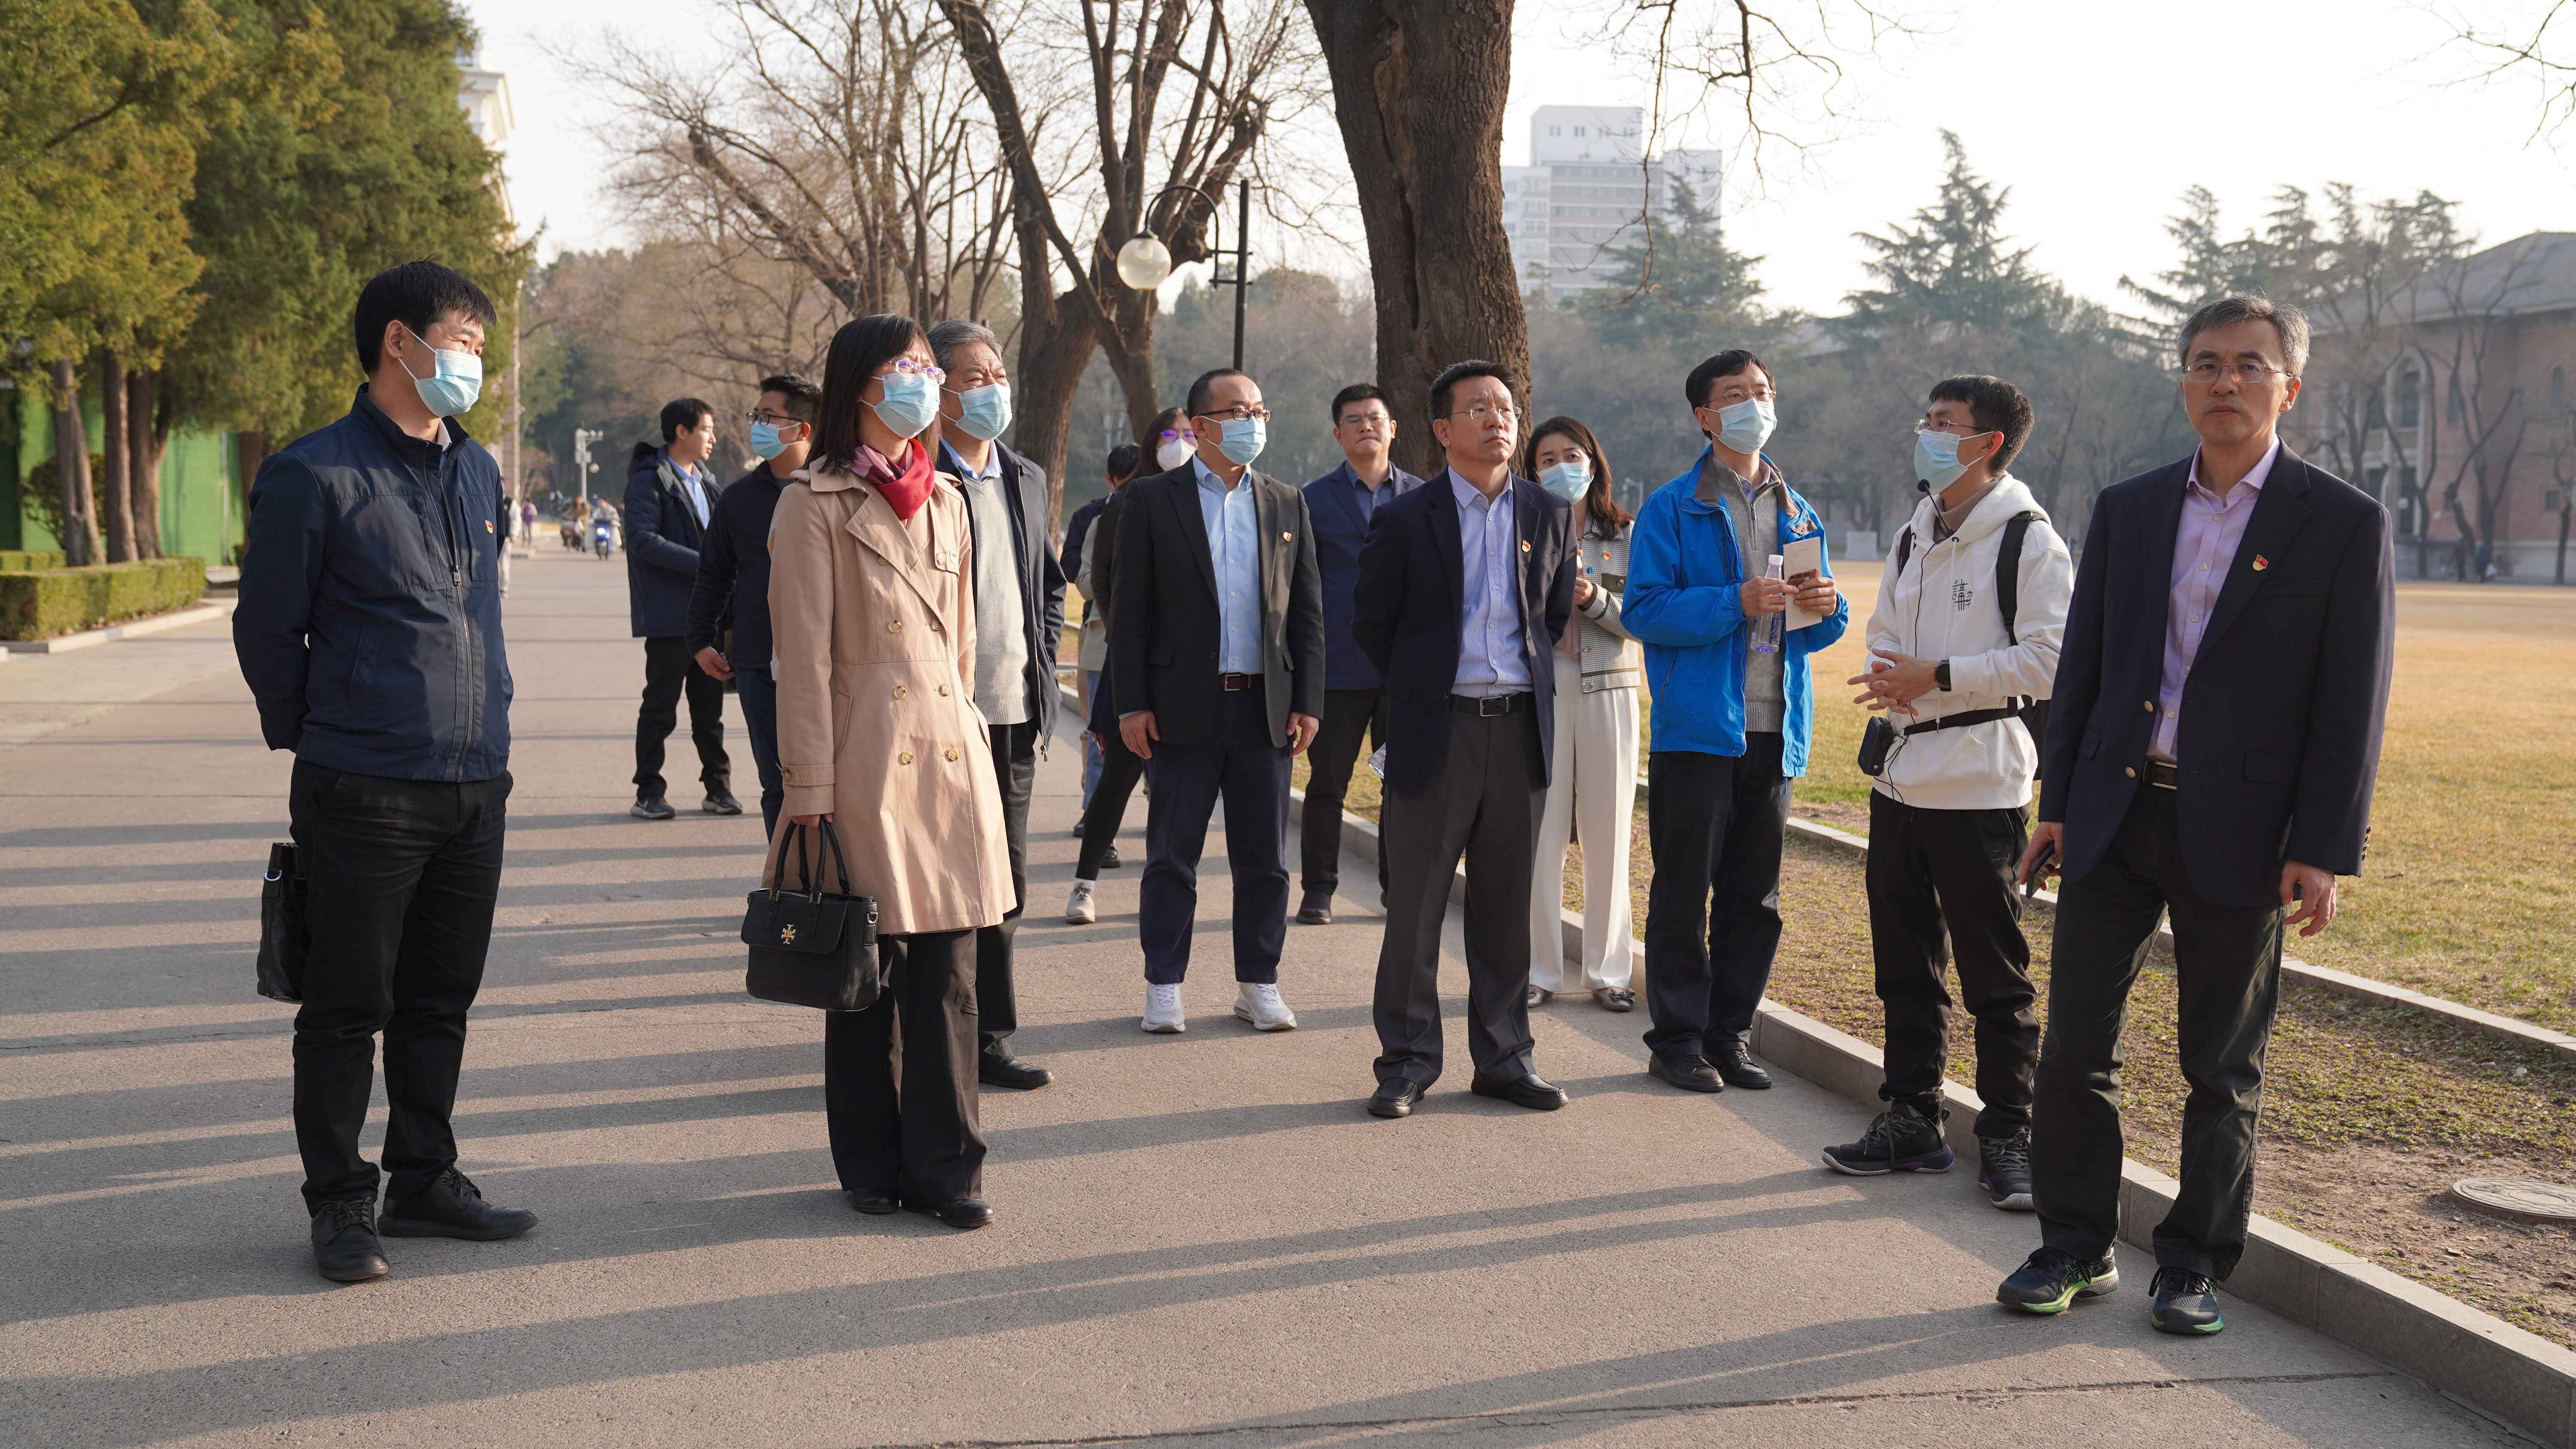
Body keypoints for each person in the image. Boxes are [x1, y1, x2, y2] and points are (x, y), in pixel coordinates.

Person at [1997, 297, 2395, 1334]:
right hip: (2115, 816)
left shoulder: (2341, 521)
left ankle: (2196, 1261)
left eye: (2249, 367)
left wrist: (2321, 846)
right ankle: (2073, 1244)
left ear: (2288, 387)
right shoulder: (2130, 508)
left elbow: (2351, 702)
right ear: (2183, 381)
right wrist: (2060, 805)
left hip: (2249, 835)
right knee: (2075, 1044)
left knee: (2221, 1063)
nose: (2225, 381)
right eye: (2206, 363)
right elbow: (2083, 667)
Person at [234, 260, 537, 1284]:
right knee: (345, 1005)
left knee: (439, 999)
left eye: (482, 350)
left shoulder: (478, 468)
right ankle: (339, 1204)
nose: (474, 364)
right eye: (461, 342)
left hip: (474, 781)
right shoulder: (312, 474)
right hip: (364, 784)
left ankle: (425, 1176)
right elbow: (267, 631)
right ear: (398, 343)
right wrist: (326, 734)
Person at [770, 312, 1015, 1231]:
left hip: (948, 755)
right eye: (905, 366)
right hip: (863, 753)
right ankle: (870, 1162)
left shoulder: (948, 498)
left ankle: (951, 1166)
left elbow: (963, 645)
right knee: (867, 974)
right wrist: (810, 791)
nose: (924, 381)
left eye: (927, 367)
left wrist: (977, 743)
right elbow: (804, 661)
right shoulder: (812, 501)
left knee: (952, 973)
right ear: (860, 384)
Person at [1825, 375, 2072, 1212]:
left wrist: (1940, 677)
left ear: (1989, 443)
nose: (1927, 435)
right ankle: (1914, 1115)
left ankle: (2009, 1132)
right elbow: (1885, 630)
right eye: (1925, 420)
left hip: (1980, 783)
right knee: (1905, 964)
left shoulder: (2028, 542)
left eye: (1945, 424)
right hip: (1900, 777)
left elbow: (2048, 661)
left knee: (1994, 975)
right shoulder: (1912, 533)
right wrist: (1898, 673)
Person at [1350, 361, 1578, 1119]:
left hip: (1519, 733)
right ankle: (1408, 1061)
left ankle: (1506, 1057)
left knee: (1505, 906)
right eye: (1478, 408)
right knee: (1414, 908)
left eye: (1506, 407)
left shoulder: (1548, 513)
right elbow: (1375, 625)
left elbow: (1547, 623)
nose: (1498, 419)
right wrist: (1423, 693)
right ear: (1443, 430)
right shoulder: (1406, 518)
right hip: (1437, 734)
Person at [1623, 349, 1848, 1094]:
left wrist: (1827, 608)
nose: (1754, 404)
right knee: (1685, 892)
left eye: (1762, 391)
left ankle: (1729, 1036)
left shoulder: (1798, 506)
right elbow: (1645, 611)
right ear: (1705, 417)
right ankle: (1678, 1039)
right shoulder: (1671, 506)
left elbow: (1817, 628)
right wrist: (1733, 602)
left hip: (1774, 728)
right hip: (1697, 729)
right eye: (1736, 395)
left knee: (1757, 899)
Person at [1110, 369, 1324, 1033]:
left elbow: (1309, 614)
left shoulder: (1287, 502)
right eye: (1236, 411)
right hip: (1180, 709)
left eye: (1258, 408)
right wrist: (1131, 704)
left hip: (1265, 710)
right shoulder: (1150, 500)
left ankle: (1258, 981)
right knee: (1172, 855)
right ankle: (1164, 984)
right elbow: (1129, 613)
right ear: (1200, 427)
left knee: (1264, 860)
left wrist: (1308, 699)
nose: (1251, 421)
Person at [930, 318, 1067, 1094]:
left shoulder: (1024, 475)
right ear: (940, 391)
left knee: (1004, 883)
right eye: (975, 377)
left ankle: (988, 1037)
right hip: (937, 718)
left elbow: (1046, 584)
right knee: (934, 880)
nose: (993, 389)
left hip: (1011, 711)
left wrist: (1042, 658)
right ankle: (922, 1028)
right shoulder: (919, 476)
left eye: (998, 375)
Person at [1520, 415, 1643, 1014]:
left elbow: (1645, 618)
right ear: (1532, 470)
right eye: (1547, 459)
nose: (1560, 466)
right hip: (1539, 686)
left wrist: (1595, 600)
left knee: (1609, 829)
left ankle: (1608, 970)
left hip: (1610, 685)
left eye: (1571, 454)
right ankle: (1539, 968)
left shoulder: (1626, 534)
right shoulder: (1518, 530)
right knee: (1540, 832)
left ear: (1593, 462)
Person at [1296, 383, 1423, 925]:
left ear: (1393, 428)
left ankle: (1399, 889)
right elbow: (1300, 589)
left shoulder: (1424, 497)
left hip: (1405, 673)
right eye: (1354, 420)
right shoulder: (1310, 500)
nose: (1366, 426)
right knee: (1328, 785)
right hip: (1337, 669)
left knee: (1404, 786)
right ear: (1338, 434)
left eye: (1376, 417)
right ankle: (1319, 890)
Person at [687, 373, 821, 838]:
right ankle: (788, 889)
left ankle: (839, 891)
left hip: (831, 666)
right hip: (759, 665)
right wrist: (700, 639)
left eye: (769, 417)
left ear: (803, 430)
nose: (757, 426)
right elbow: (715, 573)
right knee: (777, 782)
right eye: (756, 417)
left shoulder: (837, 491)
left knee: (835, 782)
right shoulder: (739, 498)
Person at [1066, 425, 1179, 923]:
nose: (1183, 446)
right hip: (1132, 659)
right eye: (1172, 433)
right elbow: (1104, 581)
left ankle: (1166, 888)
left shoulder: (1213, 503)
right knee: (1117, 777)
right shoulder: (1128, 501)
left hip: (1187, 669)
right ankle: (1084, 884)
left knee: (1176, 785)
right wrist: (1130, 639)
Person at [625, 398, 736, 820]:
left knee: (710, 712)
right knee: (660, 708)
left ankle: (718, 788)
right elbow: (641, 538)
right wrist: (705, 564)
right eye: (707, 429)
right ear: (681, 432)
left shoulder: (709, 484)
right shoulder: (649, 481)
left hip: (709, 618)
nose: (713, 437)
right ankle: (649, 792)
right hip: (672, 618)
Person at [1060, 440, 1146, 832]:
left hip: (1163, 648)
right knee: (1102, 739)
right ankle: (1097, 822)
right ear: (1111, 482)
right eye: (1126, 482)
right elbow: (1081, 577)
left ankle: (1163, 824)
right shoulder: (1096, 516)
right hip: (1103, 643)